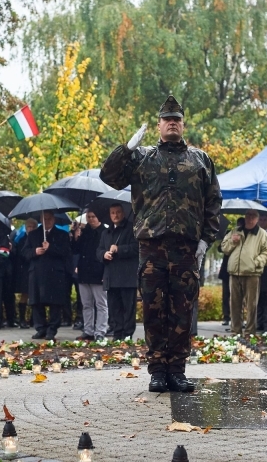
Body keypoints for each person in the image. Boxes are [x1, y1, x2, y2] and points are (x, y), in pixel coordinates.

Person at [100, 95, 222, 393]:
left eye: (176, 119)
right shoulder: (141, 157)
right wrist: (125, 150)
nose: (172, 124)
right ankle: (157, 370)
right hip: (151, 249)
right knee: (154, 312)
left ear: (183, 125)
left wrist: (206, 239)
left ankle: (177, 371)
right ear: (158, 125)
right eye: (167, 119)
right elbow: (109, 177)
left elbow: (214, 203)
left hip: (185, 250)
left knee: (182, 312)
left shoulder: (200, 159)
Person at [220, 209, 267, 338]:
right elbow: (224, 248)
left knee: (252, 305)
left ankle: (249, 333)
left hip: (252, 274)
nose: (250, 218)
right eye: (248, 215)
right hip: (234, 273)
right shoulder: (235, 231)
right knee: (234, 304)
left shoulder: (262, 235)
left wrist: (256, 262)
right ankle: (235, 332)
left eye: (253, 216)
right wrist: (233, 241)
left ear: (257, 218)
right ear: (244, 217)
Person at [22, 211, 72, 340]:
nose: (47, 221)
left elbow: (65, 252)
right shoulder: (33, 235)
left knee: (55, 302)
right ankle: (41, 328)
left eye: (49, 219)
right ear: (40, 220)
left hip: (54, 273)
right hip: (37, 273)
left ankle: (52, 329)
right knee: (36, 302)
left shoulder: (62, 235)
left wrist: (51, 247)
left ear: (54, 219)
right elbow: (24, 253)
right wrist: (35, 251)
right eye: (44, 219)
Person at [97, 204, 139, 341]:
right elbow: (98, 251)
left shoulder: (132, 229)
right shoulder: (106, 233)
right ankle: (117, 333)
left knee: (128, 308)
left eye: (118, 212)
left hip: (127, 277)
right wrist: (104, 254)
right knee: (114, 308)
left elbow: (137, 249)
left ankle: (127, 335)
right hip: (112, 276)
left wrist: (119, 249)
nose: (115, 215)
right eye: (112, 213)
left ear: (123, 213)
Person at [73, 210, 106, 340]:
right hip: (84, 271)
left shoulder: (105, 232)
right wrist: (75, 236)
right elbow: (76, 250)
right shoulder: (85, 232)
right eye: (89, 217)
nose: (91, 219)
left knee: (101, 304)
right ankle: (88, 330)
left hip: (98, 271)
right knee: (86, 304)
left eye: (93, 217)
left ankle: (100, 331)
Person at [12, 218, 38, 328]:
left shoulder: (39, 239)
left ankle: (34, 319)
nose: (31, 229)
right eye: (29, 227)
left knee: (35, 295)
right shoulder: (21, 240)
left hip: (36, 269)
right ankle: (22, 319)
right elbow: (20, 255)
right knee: (25, 294)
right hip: (24, 270)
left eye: (33, 227)